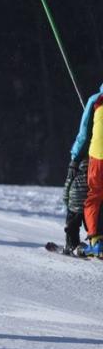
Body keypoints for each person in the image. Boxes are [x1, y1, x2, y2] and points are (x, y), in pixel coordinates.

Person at [69, 82, 103, 258]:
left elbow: (83, 135)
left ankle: (97, 242)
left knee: (94, 196)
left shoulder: (96, 100)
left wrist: (75, 158)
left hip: (99, 155)